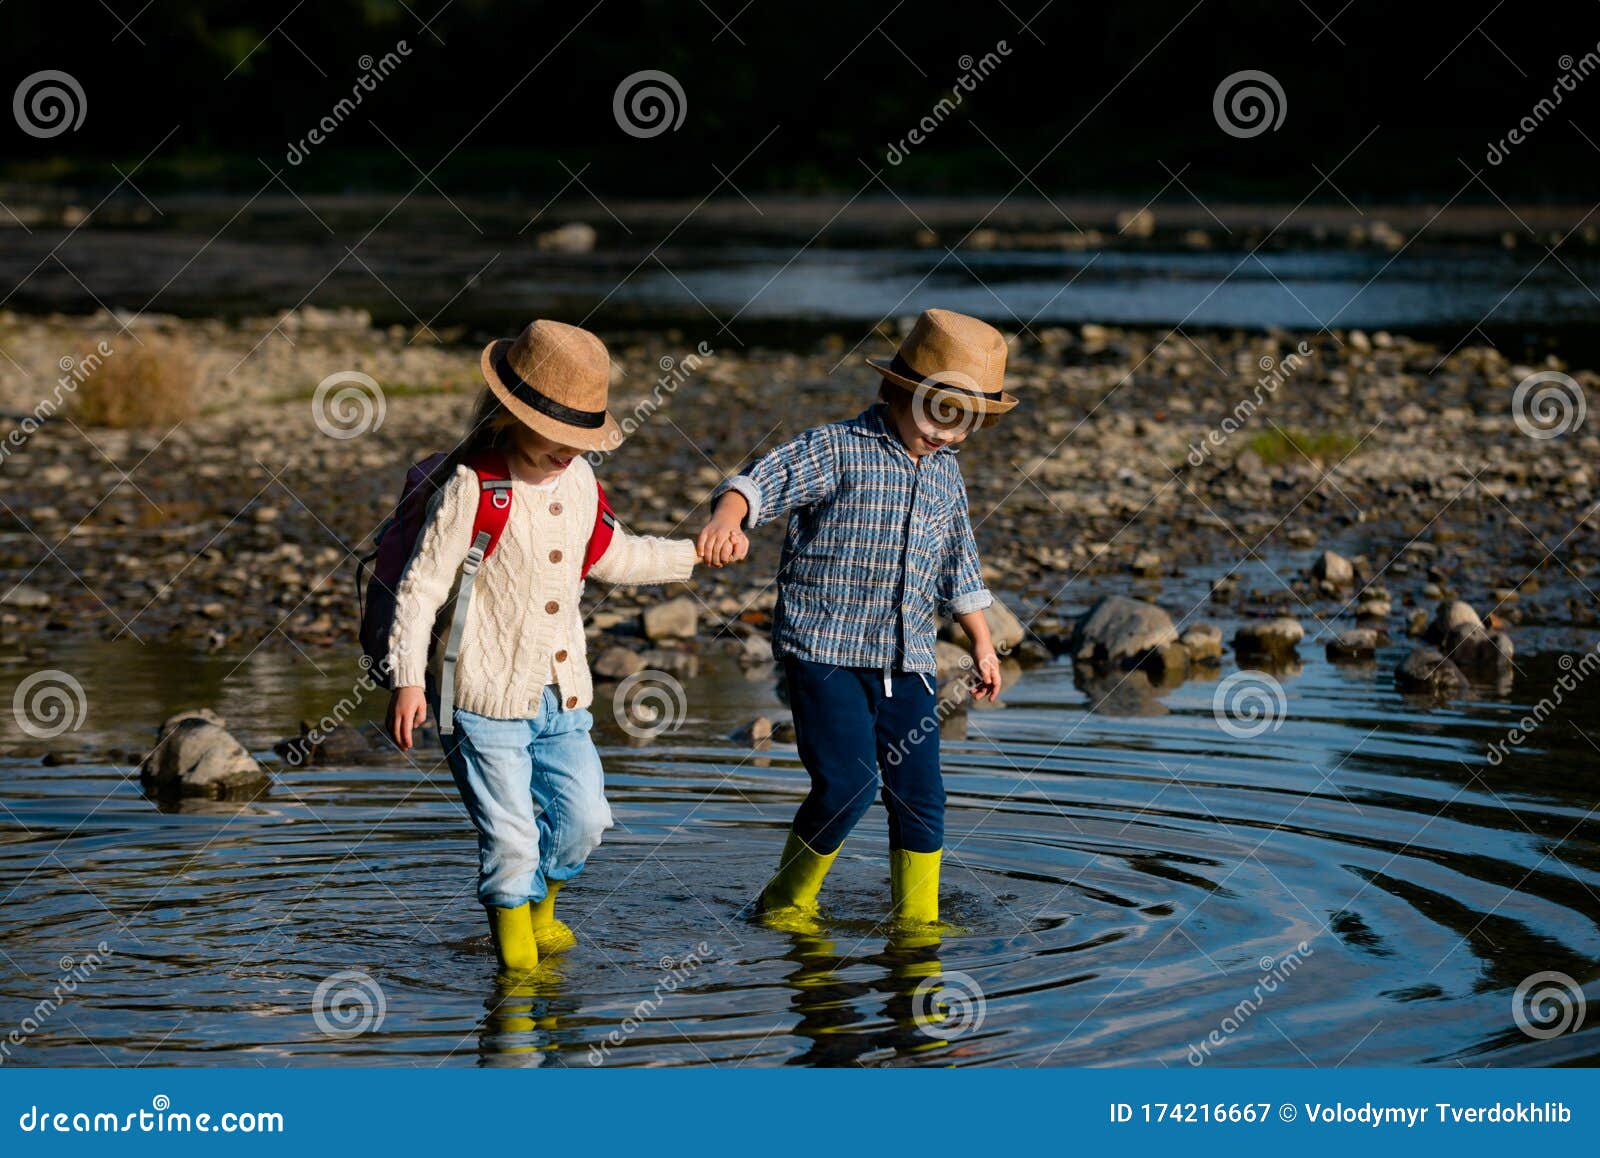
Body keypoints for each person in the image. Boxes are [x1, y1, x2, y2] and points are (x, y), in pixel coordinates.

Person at [387, 319, 697, 974]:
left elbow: (611, 555)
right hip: (479, 694)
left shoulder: (580, 480)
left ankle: (542, 911)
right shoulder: (473, 489)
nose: (568, 450)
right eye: (557, 435)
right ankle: (519, 981)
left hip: (562, 694)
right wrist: (408, 678)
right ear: (511, 413)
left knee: (587, 818)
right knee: (511, 839)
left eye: (580, 438)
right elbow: (418, 591)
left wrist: (691, 555)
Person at [697, 308, 1015, 928]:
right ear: (901, 391)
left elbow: (961, 568)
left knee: (922, 797)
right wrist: (728, 518)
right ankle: (784, 903)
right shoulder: (838, 449)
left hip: (908, 663)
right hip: (825, 653)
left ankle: (918, 922)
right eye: (939, 414)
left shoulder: (947, 477)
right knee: (848, 785)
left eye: (965, 424)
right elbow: (758, 481)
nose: (948, 434)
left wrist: (983, 644)